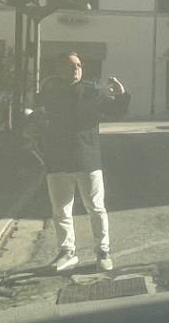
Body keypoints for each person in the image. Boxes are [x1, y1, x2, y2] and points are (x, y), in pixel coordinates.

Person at [36, 52, 128, 272]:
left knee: (95, 208)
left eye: (78, 65)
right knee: (60, 210)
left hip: (87, 159)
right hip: (57, 160)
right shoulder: (49, 91)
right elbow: (38, 117)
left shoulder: (92, 91)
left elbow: (116, 111)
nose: (76, 69)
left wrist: (121, 94)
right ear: (58, 69)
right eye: (71, 66)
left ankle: (103, 252)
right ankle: (67, 252)